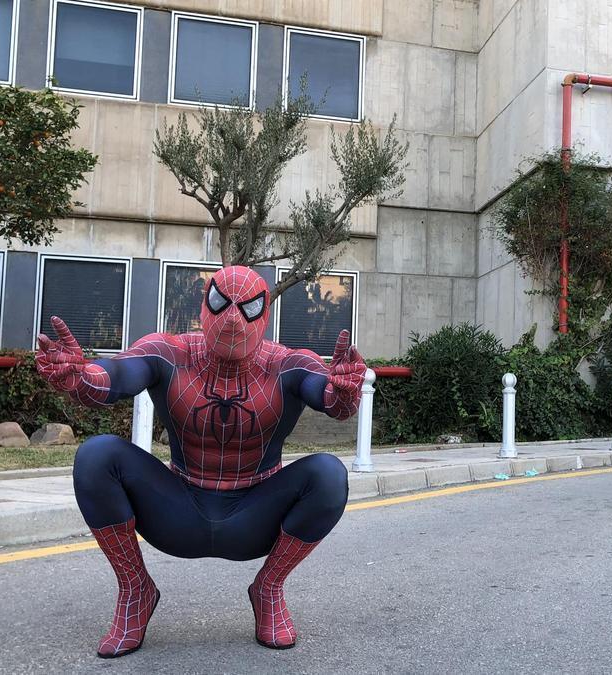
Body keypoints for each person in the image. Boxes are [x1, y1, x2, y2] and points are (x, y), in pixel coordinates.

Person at [35, 266, 366, 657]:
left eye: (248, 308)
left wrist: (344, 390)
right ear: (203, 306)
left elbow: (329, 399)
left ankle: (269, 588)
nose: (232, 318)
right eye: (220, 304)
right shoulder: (169, 352)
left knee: (328, 473)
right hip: (178, 510)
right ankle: (135, 590)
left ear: (266, 315)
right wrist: (79, 376)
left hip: (256, 516)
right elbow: (117, 375)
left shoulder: (288, 363)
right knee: (97, 455)